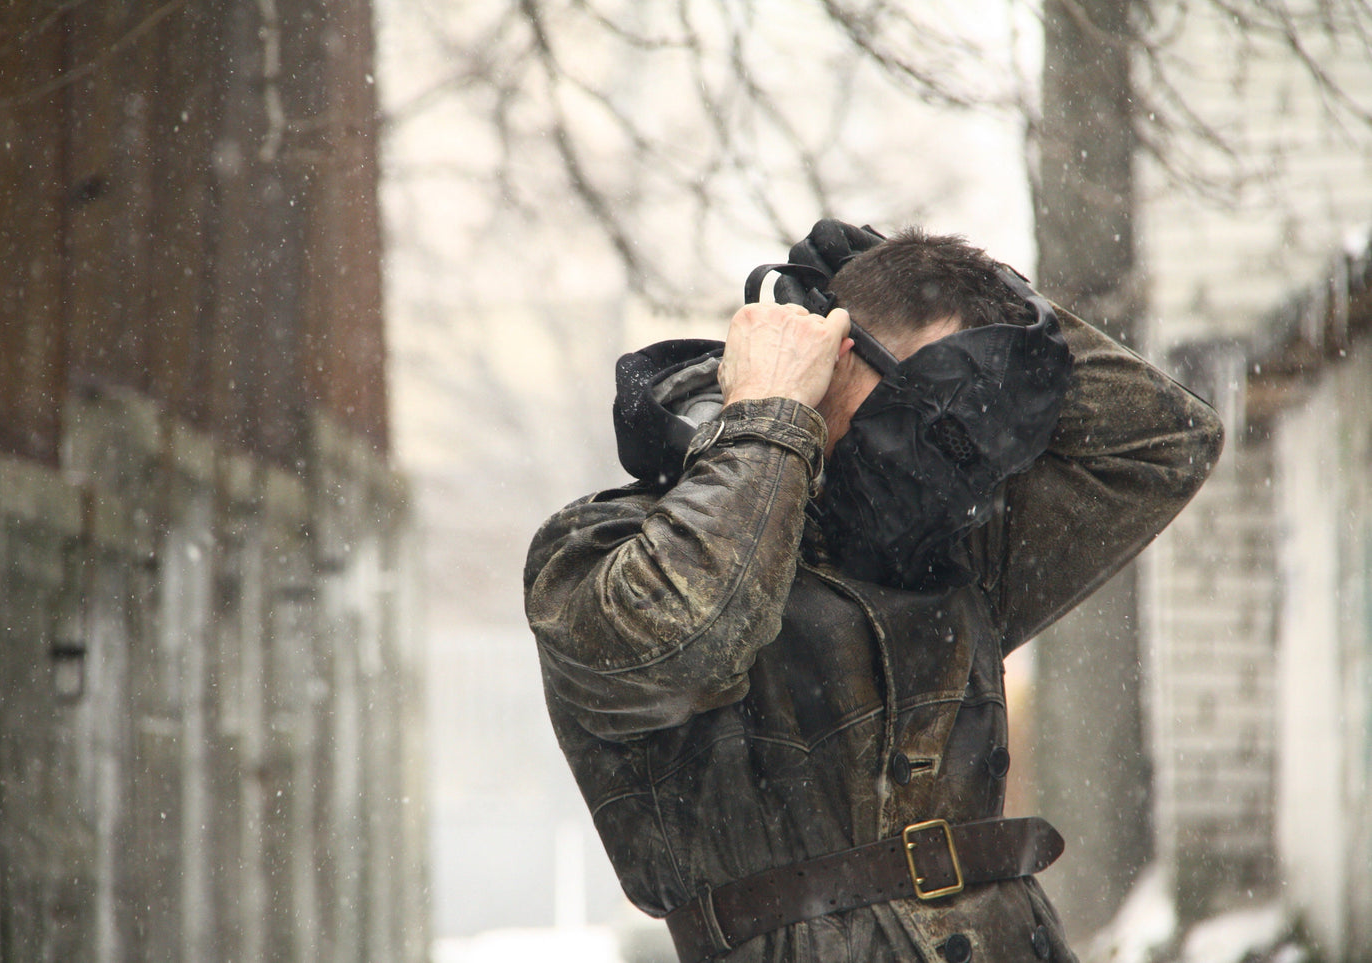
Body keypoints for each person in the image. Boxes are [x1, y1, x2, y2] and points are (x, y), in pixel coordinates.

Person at [522, 221, 1224, 963]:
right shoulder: (597, 547)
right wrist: (768, 411)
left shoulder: (947, 549)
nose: (936, 444)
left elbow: (1161, 439)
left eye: (962, 415)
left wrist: (1010, 318)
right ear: (830, 354)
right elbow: (691, 635)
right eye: (923, 402)